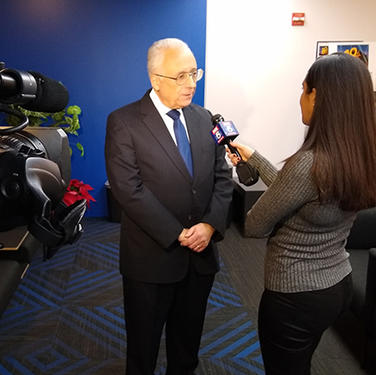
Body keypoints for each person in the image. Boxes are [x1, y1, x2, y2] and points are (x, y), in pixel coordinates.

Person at [227, 52, 376, 375]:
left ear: (320, 96)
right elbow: (302, 194)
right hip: (336, 284)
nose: (300, 99)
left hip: (295, 296)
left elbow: (256, 224)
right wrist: (255, 158)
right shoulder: (361, 157)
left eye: (304, 90)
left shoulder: (308, 163)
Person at [105, 38, 234, 375]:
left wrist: (209, 226)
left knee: (186, 349)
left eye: (194, 73)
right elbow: (128, 190)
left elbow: (223, 178)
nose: (191, 83)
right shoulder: (124, 122)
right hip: (151, 261)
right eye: (181, 76)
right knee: (143, 352)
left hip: (200, 258)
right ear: (155, 79)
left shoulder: (204, 118)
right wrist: (178, 234)